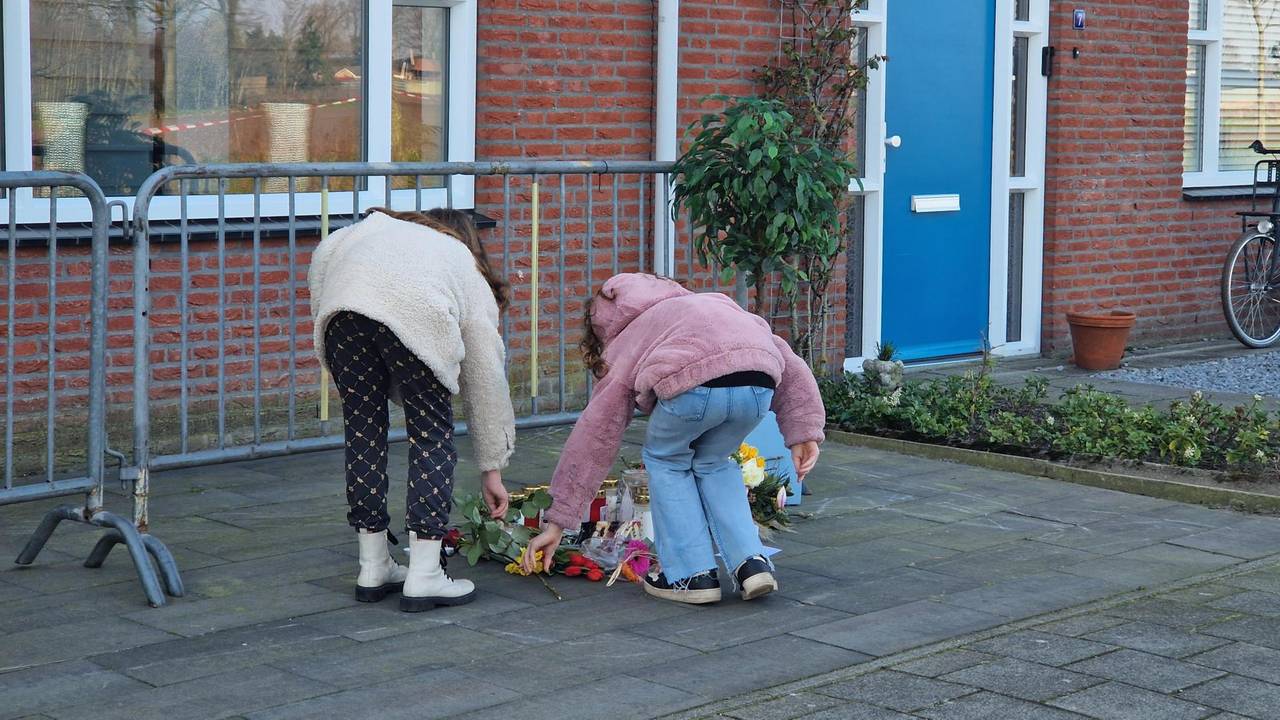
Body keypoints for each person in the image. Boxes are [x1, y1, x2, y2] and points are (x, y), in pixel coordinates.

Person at [522, 273, 825, 604]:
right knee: (713, 462)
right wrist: (804, 432)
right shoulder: (716, 303)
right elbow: (791, 365)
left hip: (692, 388)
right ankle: (752, 564)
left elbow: (596, 433)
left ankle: (691, 576)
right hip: (759, 386)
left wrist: (558, 521)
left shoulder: (632, 334)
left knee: (667, 460)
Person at [309, 207, 514, 612]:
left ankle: (373, 565)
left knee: (363, 429)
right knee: (431, 433)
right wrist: (492, 467)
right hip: (417, 314)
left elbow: (323, 258)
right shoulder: (459, 260)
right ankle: (424, 574)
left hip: (342, 311)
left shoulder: (368, 231)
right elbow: (485, 377)